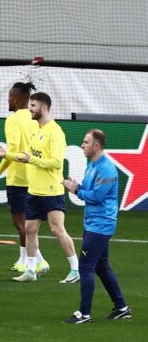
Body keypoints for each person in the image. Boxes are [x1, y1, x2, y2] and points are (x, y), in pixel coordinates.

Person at [0, 92, 79, 284]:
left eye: (33, 106)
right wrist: (6, 154)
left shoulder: (56, 132)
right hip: (34, 189)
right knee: (30, 228)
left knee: (57, 229)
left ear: (44, 107)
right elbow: (26, 155)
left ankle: (75, 269)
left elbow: (56, 163)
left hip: (51, 189)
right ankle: (31, 270)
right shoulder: (35, 128)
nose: (30, 109)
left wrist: (32, 160)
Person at [62, 130, 132, 324]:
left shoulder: (106, 169)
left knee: (85, 266)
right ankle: (122, 308)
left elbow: (97, 197)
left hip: (101, 225)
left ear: (96, 146)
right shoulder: (92, 165)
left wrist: (76, 189)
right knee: (101, 266)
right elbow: (88, 190)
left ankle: (84, 314)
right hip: (93, 223)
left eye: (86, 142)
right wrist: (76, 186)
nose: (82, 145)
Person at [0, 82, 50, 274]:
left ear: (15, 99)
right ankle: (23, 260)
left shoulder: (12, 120)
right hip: (35, 178)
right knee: (30, 225)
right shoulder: (35, 118)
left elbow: (11, 152)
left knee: (21, 224)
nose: (7, 100)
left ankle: (40, 261)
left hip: (18, 178)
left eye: (9, 97)